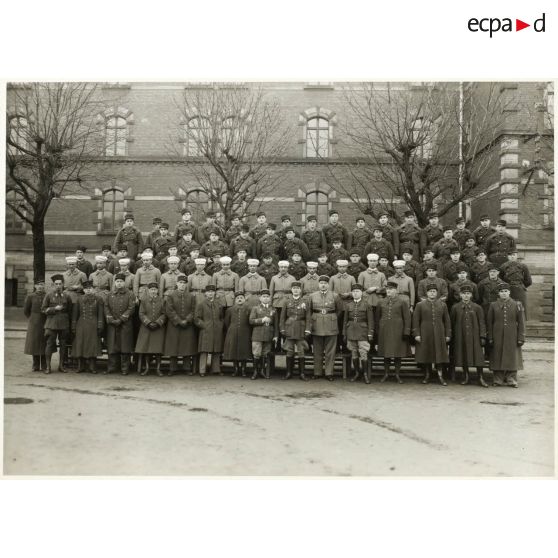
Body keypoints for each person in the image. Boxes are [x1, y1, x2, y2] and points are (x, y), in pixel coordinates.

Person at [487, 282, 525, 387]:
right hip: (497, 335)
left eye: (505, 291)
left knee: (512, 356)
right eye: (501, 292)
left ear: (509, 292)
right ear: (498, 293)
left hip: (512, 335)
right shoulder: (493, 305)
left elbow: (521, 322)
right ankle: (497, 379)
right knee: (497, 356)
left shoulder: (517, 304)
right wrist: (490, 336)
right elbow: (489, 323)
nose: (503, 293)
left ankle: (511, 379)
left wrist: (521, 337)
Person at [450, 284, 489, 387]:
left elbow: (482, 323)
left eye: (468, 294)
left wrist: (482, 336)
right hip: (460, 336)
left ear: (471, 295)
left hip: (474, 337)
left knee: (478, 357)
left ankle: (480, 377)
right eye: (464, 294)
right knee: (464, 356)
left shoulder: (477, 307)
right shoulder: (455, 307)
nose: (466, 296)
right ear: (460, 295)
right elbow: (452, 323)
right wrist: (453, 337)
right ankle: (466, 376)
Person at [412, 283, 452, 386]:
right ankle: (427, 375)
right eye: (430, 291)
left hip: (439, 332)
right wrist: (416, 334)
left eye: (434, 291)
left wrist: (448, 334)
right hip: (425, 332)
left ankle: (440, 376)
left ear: (437, 293)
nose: (432, 293)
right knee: (426, 354)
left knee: (439, 354)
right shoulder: (420, 305)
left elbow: (447, 321)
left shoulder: (443, 305)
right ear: (427, 293)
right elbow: (415, 321)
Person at [307, 276, 343, 381]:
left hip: (330, 325)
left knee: (330, 352)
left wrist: (333, 318)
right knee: (317, 351)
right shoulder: (312, 296)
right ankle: (317, 372)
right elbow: (309, 311)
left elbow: (339, 310)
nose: (323, 285)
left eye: (325, 283)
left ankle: (329, 373)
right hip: (316, 325)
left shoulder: (335, 296)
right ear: (318, 284)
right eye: (321, 283)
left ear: (328, 285)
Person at [375, 280, 411, 384]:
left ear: (396, 290)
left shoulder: (402, 302)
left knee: (397, 353)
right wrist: (377, 332)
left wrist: (406, 332)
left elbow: (407, 318)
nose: (389, 291)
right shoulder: (381, 302)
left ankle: (397, 374)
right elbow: (377, 318)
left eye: (391, 289)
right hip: (384, 331)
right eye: (387, 289)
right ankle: (386, 374)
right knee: (386, 353)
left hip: (398, 331)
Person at [163, 275, 198, 376]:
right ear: (177, 284)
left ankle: (186, 368)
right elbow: (169, 310)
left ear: (186, 284)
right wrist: (178, 320)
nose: (182, 285)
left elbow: (193, 310)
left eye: (184, 283)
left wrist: (187, 320)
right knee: (173, 346)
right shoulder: (170, 295)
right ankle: (172, 368)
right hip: (174, 325)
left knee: (187, 346)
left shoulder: (191, 296)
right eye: (180, 283)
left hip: (187, 325)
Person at [105, 273, 136, 376]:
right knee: (112, 345)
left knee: (125, 346)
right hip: (112, 324)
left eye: (121, 281)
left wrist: (122, 319)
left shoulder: (130, 294)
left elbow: (131, 308)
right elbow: (106, 307)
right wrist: (111, 318)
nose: (119, 283)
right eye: (117, 281)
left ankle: (125, 367)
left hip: (125, 324)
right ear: (114, 282)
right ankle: (112, 366)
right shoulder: (110, 294)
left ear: (124, 282)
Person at [343, 284, 374, 384]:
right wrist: (345, 333)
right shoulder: (348, 305)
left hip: (363, 332)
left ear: (361, 293)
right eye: (354, 291)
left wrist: (370, 333)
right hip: (351, 330)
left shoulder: (366, 305)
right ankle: (357, 373)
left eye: (357, 291)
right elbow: (345, 320)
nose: (355, 293)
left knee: (363, 352)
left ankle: (365, 373)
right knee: (354, 352)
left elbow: (371, 320)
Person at [41, 274, 72, 373]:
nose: (58, 286)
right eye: (56, 284)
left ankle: (61, 365)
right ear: (53, 285)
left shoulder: (67, 296)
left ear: (63, 284)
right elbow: (43, 309)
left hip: (64, 324)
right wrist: (54, 309)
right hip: (51, 323)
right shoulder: (49, 295)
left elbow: (70, 310)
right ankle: (48, 367)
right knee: (49, 344)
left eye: (60, 284)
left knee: (63, 345)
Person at [280, 282, 310, 381]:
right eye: (294, 288)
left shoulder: (305, 301)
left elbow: (308, 317)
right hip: (289, 327)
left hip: (301, 328)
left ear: (300, 290)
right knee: (289, 351)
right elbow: (282, 317)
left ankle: (302, 373)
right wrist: (282, 328)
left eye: (297, 288)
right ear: (291, 290)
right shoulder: (286, 301)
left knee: (301, 351)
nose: (296, 290)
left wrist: (308, 329)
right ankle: (289, 372)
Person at [71, 280, 104, 374]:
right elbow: (75, 314)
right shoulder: (79, 299)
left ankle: (92, 366)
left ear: (93, 289)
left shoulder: (98, 299)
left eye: (90, 288)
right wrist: (74, 326)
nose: (88, 290)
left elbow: (100, 314)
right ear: (84, 290)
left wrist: (100, 325)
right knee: (80, 344)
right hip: (81, 325)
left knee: (92, 344)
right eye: (86, 289)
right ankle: (80, 366)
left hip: (93, 324)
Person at [136, 282, 167, 376]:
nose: (153, 291)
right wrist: (148, 322)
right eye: (151, 290)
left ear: (158, 290)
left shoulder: (162, 301)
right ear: (148, 290)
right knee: (147, 349)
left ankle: (158, 369)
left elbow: (164, 314)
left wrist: (158, 323)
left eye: (155, 289)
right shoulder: (144, 300)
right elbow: (141, 313)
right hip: (146, 328)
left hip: (158, 328)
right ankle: (147, 368)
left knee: (158, 350)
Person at [194, 284, 225, 376]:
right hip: (206, 331)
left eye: (212, 292)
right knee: (204, 350)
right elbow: (196, 318)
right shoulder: (201, 304)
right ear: (205, 294)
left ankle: (215, 369)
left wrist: (220, 325)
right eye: (208, 292)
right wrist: (204, 326)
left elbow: (222, 317)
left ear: (215, 293)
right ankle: (202, 370)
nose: (210, 293)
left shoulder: (219, 304)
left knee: (216, 350)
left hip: (217, 330)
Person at [249, 289, 278, 380]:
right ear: (260, 298)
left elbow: (276, 324)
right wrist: (262, 320)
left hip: (268, 335)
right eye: (264, 297)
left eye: (267, 297)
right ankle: (255, 372)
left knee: (265, 354)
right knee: (256, 354)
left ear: (270, 298)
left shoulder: (273, 309)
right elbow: (251, 321)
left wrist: (276, 335)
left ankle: (262, 371)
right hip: (257, 334)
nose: (265, 298)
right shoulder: (255, 308)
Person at [223, 291, 252, 378]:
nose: (239, 299)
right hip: (233, 332)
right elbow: (226, 322)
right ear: (235, 300)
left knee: (244, 351)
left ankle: (243, 369)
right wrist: (232, 329)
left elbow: (250, 322)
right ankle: (235, 369)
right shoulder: (230, 310)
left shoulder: (249, 309)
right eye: (238, 298)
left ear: (244, 299)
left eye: (241, 298)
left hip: (245, 332)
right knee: (234, 350)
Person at [269, 261, 295, 351]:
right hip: (277, 303)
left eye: (285, 267)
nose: (283, 269)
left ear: (287, 268)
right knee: (277, 323)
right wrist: (270, 304)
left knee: (286, 324)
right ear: (278, 268)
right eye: (281, 267)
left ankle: (285, 345)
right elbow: (271, 292)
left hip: (288, 303)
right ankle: (277, 345)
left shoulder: (292, 278)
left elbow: (294, 291)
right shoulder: (274, 278)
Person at [499, 250, 532, 317]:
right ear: (508, 257)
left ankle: (522, 326)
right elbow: (500, 280)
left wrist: (520, 286)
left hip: (519, 290)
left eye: (513, 255)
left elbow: (528, 281)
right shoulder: (503, 266)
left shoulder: (523, 266)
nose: (512, 257)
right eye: (510, 255)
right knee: (508, 310)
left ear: (516, 256)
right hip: (508, 291)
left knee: (520, 310)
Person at [23, 279, 47, 372]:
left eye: (42, 284)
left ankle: (44, 365)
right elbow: (26, 310)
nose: (40, 286)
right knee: (35, 342)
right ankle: (35, 364)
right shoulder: (31, 296)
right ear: (35, 286)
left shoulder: (47, 295)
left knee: (44, 342)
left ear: (44, 286)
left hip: (45, 321)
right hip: (34, 322)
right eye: (38, 284)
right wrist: (32, 318)